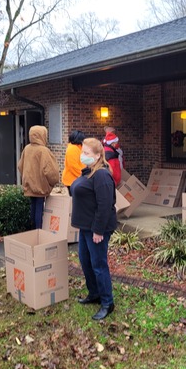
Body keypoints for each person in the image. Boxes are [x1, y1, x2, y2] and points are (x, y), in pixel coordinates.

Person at [71, 137, 117, 321]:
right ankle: (94, 293)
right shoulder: (89, 172)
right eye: (82, 152)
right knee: (85, 260)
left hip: (97, 229)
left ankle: (107, 302)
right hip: (85, 226)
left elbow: (105, 205)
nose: (83, 155)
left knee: (98, 265)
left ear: (98, 156)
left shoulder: (102, 175)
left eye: (87, 153)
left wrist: (98, 230)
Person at [18, 125, 60, 229]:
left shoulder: (27, 148)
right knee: (39, 207)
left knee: (33, 205)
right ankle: (38, 230)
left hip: (29, 183)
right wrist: (53, 182)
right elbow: (51, 171)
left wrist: (26, 177)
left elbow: (20, 165)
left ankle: (32, 229)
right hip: (40, 185)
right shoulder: (43, 151)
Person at [61, 130, 86, 195]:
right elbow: (73, 166)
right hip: (72, 180)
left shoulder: (77, 148)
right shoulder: (72, 149)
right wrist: (83, 175)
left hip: (75, 179)